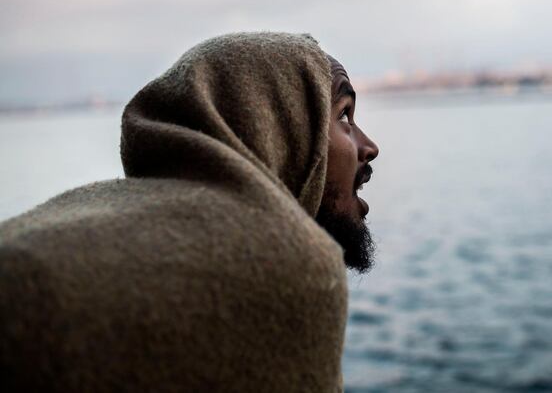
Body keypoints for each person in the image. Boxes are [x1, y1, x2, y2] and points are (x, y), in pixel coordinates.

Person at [0, 31, 379, 392]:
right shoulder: (291, 266)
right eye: (344, 115)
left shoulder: (86, 207)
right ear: (280, 127)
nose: (369, 146)